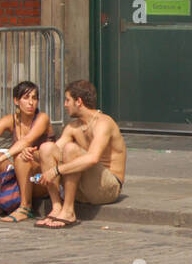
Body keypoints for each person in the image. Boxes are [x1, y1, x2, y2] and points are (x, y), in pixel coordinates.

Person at [34, 80, 126, 228]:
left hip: (107, 188)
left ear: (79, 101)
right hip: (83, 189)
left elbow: (93, 158)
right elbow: (52, 153)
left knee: (71, 149)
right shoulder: (73, 127)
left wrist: (57, 170)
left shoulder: (104, 123)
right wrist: (32, 153)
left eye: (68, 100)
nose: (65, 105)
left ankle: (69, 211)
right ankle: (57, 207)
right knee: (46, 148)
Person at [0, 80, 51, 222]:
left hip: (41, 177)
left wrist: (4, 156)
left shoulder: (42, 118)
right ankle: (0, 203)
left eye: (34, 98)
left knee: (21, 155)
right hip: (21, 174)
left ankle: (25, 207)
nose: (31, 103)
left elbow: (27, 141)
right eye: (26, 98)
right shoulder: (10, 120)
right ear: (16, 101)